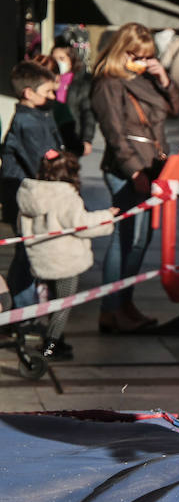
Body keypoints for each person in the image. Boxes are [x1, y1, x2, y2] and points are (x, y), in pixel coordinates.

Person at [90, 21, 179, 334]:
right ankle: (111, 309)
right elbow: (114, 133)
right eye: (137, 56)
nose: (142, 62)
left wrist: (164, 78)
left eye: (147, 56)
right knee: (125, 238)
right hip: (127, 168)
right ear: (121, 51)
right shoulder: (108, 83)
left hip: (154, 165)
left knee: (141, 240)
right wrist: (134, 171)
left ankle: (125, 303)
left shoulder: (146, 80)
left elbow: (174, 108)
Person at [16, 149, 116, 360]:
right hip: (65, 260)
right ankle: (50, 346)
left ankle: (57, 341)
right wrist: (107, 216)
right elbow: (82, 225)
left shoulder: (29, 193)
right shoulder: (66, 196)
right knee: (63, 304)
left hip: (43, 258)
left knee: (55, 301)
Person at [2, 60, 63, 309]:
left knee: (25, 254)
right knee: (28, 254)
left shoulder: (37, 116)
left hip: (27, 193)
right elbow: (42, 162)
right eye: (47, 91)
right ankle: (24, 313)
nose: (52, 96)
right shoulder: (28, 123)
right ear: (29, 93)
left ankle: (22, 310)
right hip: (25, 195)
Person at [50, 44, 96, 156]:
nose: (57, 62)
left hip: (73, 135)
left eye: (61, 58)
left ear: (72, 60)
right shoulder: (48, 79)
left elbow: (88, 112)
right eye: (54, 59)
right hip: (51, 135)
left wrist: (87, 139)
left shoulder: (82, 82)